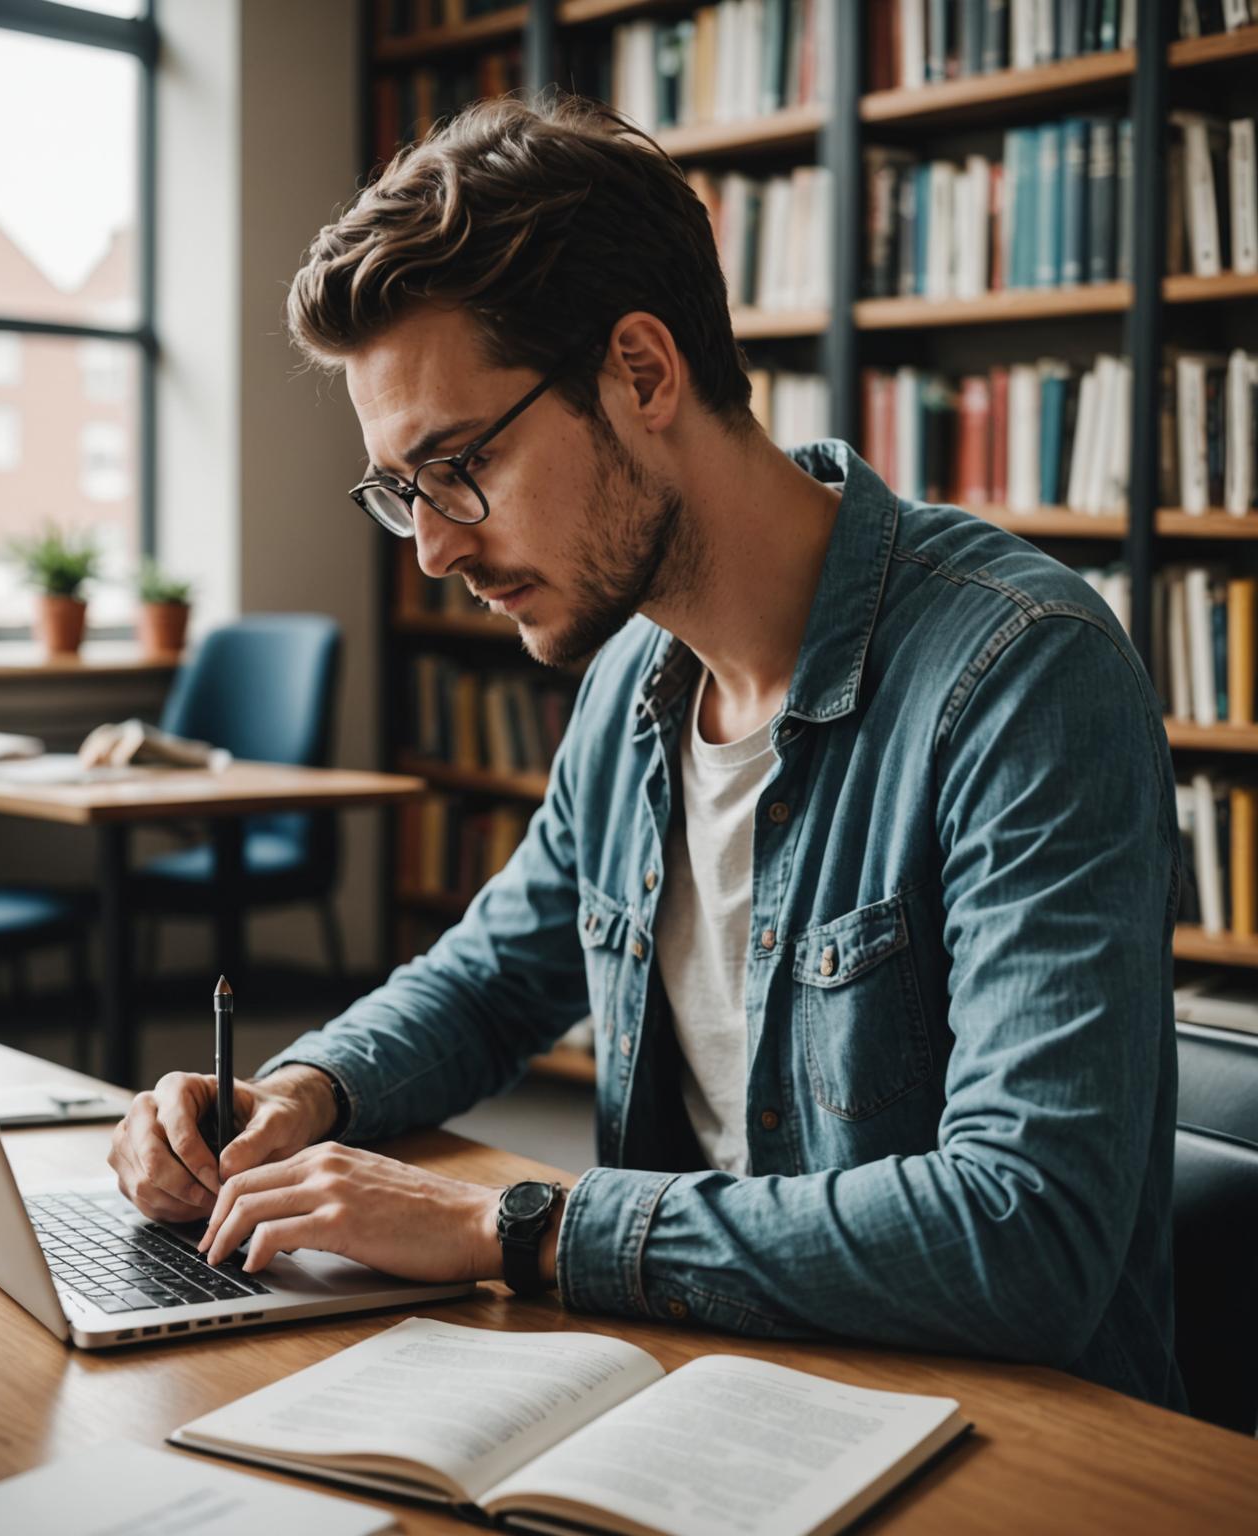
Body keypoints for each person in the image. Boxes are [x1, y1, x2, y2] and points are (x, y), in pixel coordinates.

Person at [109, 94, 1184, 1408]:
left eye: (457, 465)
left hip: (1004, 1437)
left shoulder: (1024, 672)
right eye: (402, 492)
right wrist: (302, 1092)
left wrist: (520, 1227)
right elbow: (494, 978)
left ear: (641, 372)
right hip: (705, 1390)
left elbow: (1026, 1235)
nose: (436, 546)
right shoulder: (632, 682)